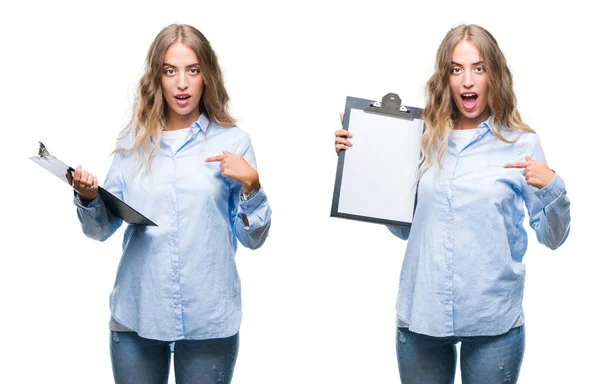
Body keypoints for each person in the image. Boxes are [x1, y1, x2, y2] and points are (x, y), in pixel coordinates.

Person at [334, 24, 570, 384]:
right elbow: (405, 228)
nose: (468, 81)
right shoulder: (419, 137)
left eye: (479, 68)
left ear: (495, 75)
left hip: (494, 318)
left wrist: (553, 186)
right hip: (423, 313)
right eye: (456, 69)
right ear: (445, 78)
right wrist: (364, 157)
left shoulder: (521, 143)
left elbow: (552, 238)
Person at [68, 24, 271, 384]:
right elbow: (101, 229)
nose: (181, 83)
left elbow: (252, 239)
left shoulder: (233, 142)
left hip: (209, 316)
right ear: (157, 77)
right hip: (139, 310)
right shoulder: (133, 142)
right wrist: (88, 197)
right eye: (170, 70)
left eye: (192, 70)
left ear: (206, 76)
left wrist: (251, 186)